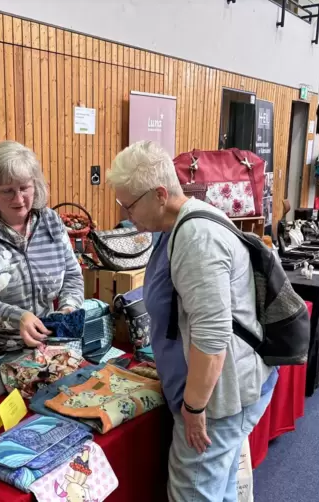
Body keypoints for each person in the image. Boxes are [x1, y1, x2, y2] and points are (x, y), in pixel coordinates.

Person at [106, 141, 276, 501]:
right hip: (227, 386)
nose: (125, 213)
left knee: (195, 492)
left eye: (129, 204)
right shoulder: (181, 224)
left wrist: (196, 409)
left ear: (160, 194)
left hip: (217, 398)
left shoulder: (195, 238)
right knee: (220, 486)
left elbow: (211, 337)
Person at [0, 140, 84, 364]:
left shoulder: (50, 221)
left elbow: (71, 274)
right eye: (7, 191)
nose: (19, 199)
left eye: (24, 188)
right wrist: (17, 318)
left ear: (36, 185)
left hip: (38, 350)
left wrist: (69, 307)